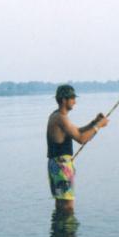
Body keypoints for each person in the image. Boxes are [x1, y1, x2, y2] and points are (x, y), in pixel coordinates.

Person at [46, 85, 108, 214]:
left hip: (56, 164)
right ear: (63, 100)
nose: (75, 101)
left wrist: (94, 122)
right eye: (72, 98)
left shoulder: (57, 116)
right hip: (61, 166)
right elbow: (81, 138)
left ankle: (60, 232)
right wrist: (98, 126)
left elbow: (77, 131)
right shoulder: (60, 118)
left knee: (61, 203)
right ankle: (68, 234)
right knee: (68, 206)